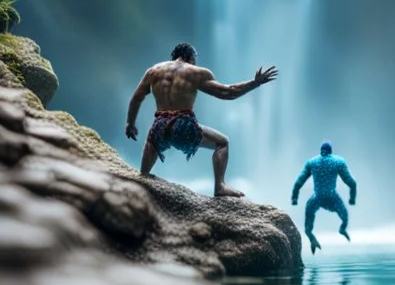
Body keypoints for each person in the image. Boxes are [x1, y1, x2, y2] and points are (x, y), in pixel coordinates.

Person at [125, 42, 277, 197]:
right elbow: (228, 92)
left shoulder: (153, 71)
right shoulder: (195, 72)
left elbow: (136, 98)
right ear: (190, 57)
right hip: (182, 125)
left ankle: (142, 179)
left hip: (159, 126)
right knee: (222, 142)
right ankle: (220, 186)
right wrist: (255, 83)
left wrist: (130, 124)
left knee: (148, 154)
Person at [291, 142, 357, 253]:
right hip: (332, 197)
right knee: (345, 216)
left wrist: (294, 198)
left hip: (317, 198)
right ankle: (342, 229)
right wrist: (352, 199)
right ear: (331, 151)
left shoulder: (311, 162)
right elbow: (352, 183)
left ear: (321, 151)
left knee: (307, 228)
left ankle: (312, 238)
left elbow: (298, 182)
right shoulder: (338, 162)